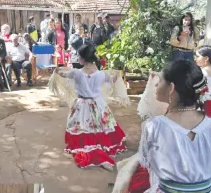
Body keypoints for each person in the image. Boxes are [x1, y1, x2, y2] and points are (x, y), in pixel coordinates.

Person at [114, 60, 211, 193]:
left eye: (159, 81)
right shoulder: (209, 124)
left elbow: (145, 162)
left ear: (171, 88)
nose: (156, 85)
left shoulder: (154, 125)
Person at [55, 43, 127, 169]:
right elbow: (112, 79)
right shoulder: (101, 74)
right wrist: (117, 75)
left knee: (83, 126)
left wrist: (57, 70)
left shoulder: (76, 73)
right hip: (98, 104)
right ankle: (102, 145)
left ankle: (89, 147)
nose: (78, 59)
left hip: (82, 104)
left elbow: (63, 74)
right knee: (101, 124)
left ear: (82, 59)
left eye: (78, 57)